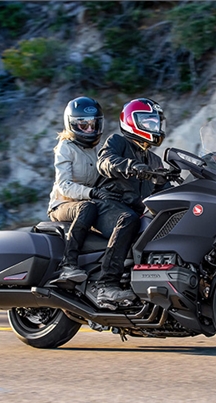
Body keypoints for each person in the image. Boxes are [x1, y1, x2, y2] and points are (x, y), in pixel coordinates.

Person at [94, 98, 170, 307]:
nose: (154, 126)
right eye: (148, 122)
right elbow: (105, 162)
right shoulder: (117, 142)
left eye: (156, 122)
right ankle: (106, 285)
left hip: (136, 208)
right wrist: (131, 166)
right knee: (128, 220)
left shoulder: (154, 160)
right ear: (131, 121)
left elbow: (164, 191)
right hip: (108, 204)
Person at [48, 96, 121, 282]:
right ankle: (68, 265)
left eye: (93, 125)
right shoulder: (66, 148)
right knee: (87, 208)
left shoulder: (98, 149)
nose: (90, 130)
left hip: (92, 202)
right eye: (83, 125)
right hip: (63, 204)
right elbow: (64, 186)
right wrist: (92, 193)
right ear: (72, 125)